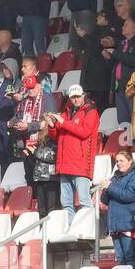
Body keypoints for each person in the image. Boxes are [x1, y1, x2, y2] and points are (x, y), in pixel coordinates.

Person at [46, 84, 100, 227]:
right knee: (66, 202)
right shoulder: (66, 112)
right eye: (72, 97)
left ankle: (89, 229)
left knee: (84, 200)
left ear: (83, 95)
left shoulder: (91, 112)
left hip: (80, 163)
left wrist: (63, 122)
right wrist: (51, 125)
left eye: (77, 96)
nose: (75, 100)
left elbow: (84, 132)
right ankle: (71, 228)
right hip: (65, 163)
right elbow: (55, 136)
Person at [102, 149, 135, 268]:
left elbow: (130, 195)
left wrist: (110, 187)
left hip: (130, 223)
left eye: (121, 160)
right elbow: (104, 200)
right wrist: (106, 188)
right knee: (121, 261)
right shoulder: (115, 177)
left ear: (130, 161)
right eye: (117, 161)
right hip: (116, 225)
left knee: (130, 258)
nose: (118, 163)